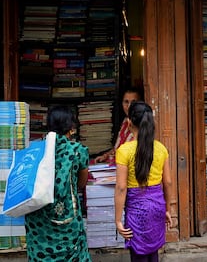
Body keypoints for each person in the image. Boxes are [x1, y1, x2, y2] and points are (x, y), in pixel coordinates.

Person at [25, 105, 91, 261]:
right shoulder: (78, 151)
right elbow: (82, 183)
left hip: (39, 222)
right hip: (68, 221)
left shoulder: (35, 149)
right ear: (71, 127)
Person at [114, 101, 172, 262]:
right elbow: (167, 182)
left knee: (138, 255)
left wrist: (118, 220)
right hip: (157, 207)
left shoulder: (124, 151)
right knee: (153, 253)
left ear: (129, 122)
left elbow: (121, 188)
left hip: (137, 210)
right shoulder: (161, 148)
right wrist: (168, 209)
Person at [94, 87, 142, 163]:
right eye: (126, 102)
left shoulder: (142, 124)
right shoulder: (125, 122)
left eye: (133, 102)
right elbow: (117, 148)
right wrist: (105, 156)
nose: (129, 106)